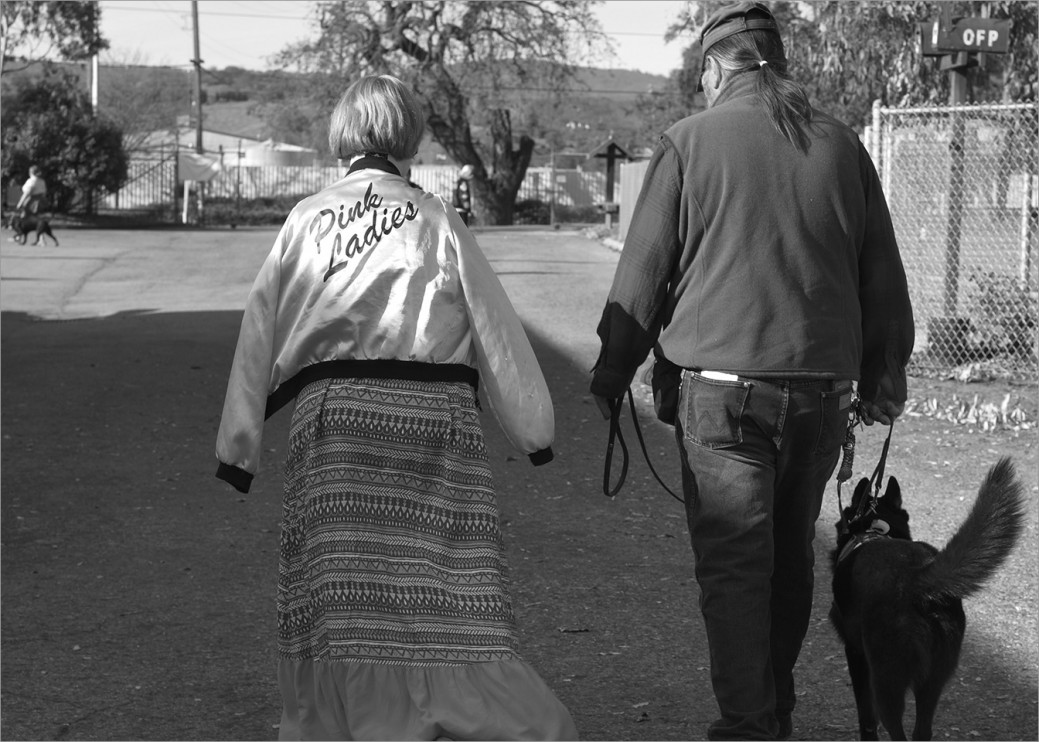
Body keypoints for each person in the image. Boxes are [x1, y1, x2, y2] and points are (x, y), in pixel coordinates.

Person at [215, 75, 577, 741]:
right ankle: (473, 709)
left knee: (344, 591)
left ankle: (353, 721)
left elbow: (258, 329)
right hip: (434, 427)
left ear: (343, 134)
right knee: (443, 587)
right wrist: (533, 429)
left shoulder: (305, 220)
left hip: (336, 426)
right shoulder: (437, 219)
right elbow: (494, 328)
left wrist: (238, 446)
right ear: (407, 132)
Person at [590, 3, 914, 740]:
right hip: (821, 400)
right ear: (776, 61)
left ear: (713, 68)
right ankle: (774, 710)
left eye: (699, 77)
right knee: (788, 561)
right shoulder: (841, 146)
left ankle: (750, 725)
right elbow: (881, 283)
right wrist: (882, 382)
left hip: (721, 397)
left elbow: (639, 280)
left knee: (736, 567)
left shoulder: (687, 144)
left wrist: (612, 376)